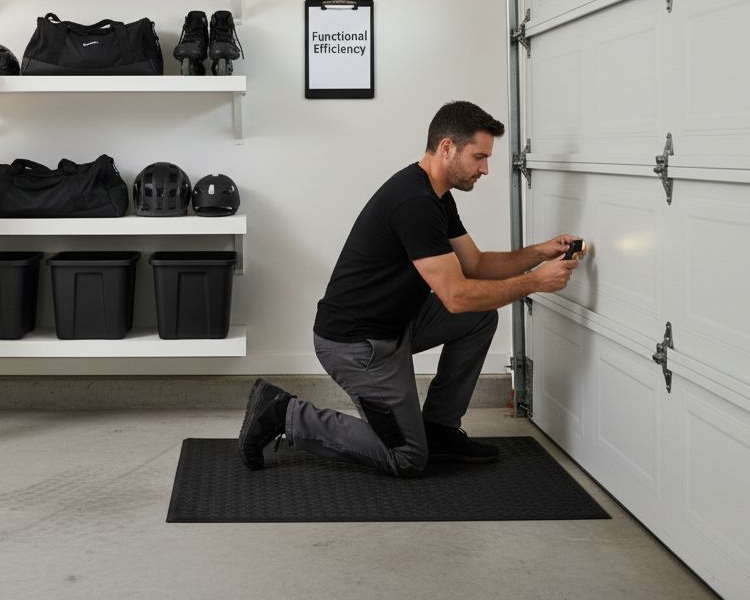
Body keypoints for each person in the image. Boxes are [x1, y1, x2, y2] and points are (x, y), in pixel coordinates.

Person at [238, 100, 581, 477]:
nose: (485, 169)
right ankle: (283, 412)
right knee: (406, 457)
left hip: (395, 324)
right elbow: (455, 295)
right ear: (447, 147)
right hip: (358, 345)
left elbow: (477, 265)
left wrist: (541, 252)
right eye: (479, 156)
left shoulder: (437, 196)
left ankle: (439, 429)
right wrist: (535, 282)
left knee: (480, 316)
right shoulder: (414, 202)